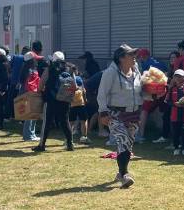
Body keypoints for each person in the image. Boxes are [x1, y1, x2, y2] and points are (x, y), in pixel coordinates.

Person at [97, 44, 143, 188]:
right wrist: (103, 112)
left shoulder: (136, 72)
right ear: (121, 58)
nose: (134, 58)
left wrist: (154, 93)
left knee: (127, 145)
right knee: (123, 141)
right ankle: (124, 175)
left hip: (133, 114)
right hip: (115, 114)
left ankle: (120, 172)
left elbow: (142, 91)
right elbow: (102, 93)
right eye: (131, 55)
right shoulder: (110, 73)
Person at [33, 52, 74, 152]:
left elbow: (41, 84)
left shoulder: (49, 69)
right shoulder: (70, 69)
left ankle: (42, 145)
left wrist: (39, 92)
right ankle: (70, 144)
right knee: (65, 122)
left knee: (46, 122)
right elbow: (75, 86)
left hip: (51, 100)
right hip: (65, 100)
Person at [136, 48, 168, 143]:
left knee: (145, 110)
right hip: (163, 90)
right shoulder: (159, 62)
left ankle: (140, 134)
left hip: (153, 91)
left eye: (140, 57)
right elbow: (166, 73)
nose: (139, 59)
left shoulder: (146, 64)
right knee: (164, 112)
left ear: (144, 56)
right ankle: (165, 133)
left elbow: (145, 79)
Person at [154, 51, 180, 146]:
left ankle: (174, 139)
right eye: (171, 58)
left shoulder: (178, 70)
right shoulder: (170, 69)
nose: (172, 59)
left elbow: (174, 84)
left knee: (174, 118)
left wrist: (166, 82)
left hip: (176, 96)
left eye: (174, 57)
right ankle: (165, 136)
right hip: (168, 96)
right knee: (166, 116)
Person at [166, 69, 184, 155]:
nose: (177, 78)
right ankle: (176, 147)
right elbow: (168, 101)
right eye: (175, 76)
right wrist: (174, 104)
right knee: (175, 132)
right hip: (175, 115)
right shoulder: (172, 89)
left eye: (179, 76)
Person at [19, 52, 42, 141]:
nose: (36, 60)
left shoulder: (29, 69)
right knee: (29, 116)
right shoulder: (29, 70)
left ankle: (31, 134)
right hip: (30, 94)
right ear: (31, 60)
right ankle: (28, 136)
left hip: (29, 93)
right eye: (35, 59)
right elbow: (29, 84)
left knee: (32, 115)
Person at [67, 65, 90, 144]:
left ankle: (68, 138)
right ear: (76, 71)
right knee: (84, 120)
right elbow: (83, 90)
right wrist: (85, 98)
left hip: (72, 104)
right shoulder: (79, 79)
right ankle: (84, 137)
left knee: (71, 122)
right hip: (80, 103)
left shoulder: (67, 79)